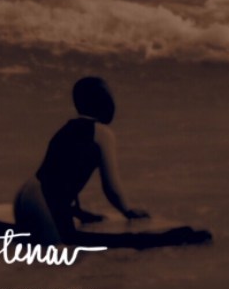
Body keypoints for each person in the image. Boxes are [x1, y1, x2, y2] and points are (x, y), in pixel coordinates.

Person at [13, 76, 211, 248]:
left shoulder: (68, 127)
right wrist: (128, 211)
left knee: (51, 251)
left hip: (26, 195)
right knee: (61, 257)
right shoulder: (102, 133)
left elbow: (62, 174)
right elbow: (111, 187)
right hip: (43, 201)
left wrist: (78, 213)